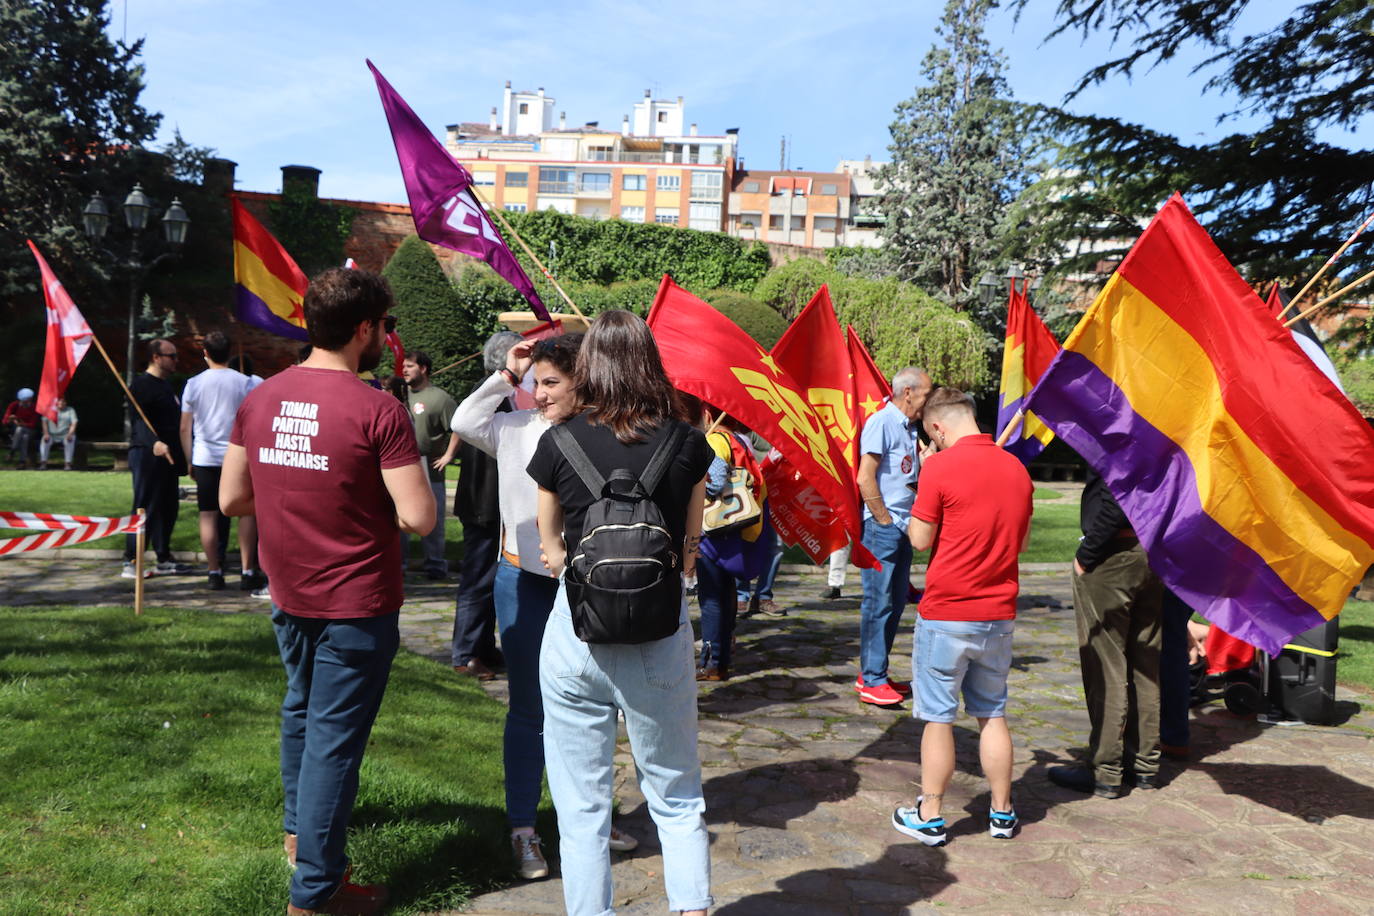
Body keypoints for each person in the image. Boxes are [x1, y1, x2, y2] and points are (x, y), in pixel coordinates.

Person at [221, 267, 434, 916]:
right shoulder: (379, 409)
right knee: (333, 747)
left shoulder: (259, 398)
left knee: (302, 714)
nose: (385, 340)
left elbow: (232, 498)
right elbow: (420, 517)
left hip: (289, 594)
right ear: (364, 330)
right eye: (384, 329)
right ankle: (314, 894)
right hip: (356, 605)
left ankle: (298, 838)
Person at [527, 309, 712, 916]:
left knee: (582, 808)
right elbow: (691, 540)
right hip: (659, 631)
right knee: (677, 794)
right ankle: (690, 907)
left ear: (588, 368)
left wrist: (575, 579)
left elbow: (547, 537)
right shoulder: (685, 440)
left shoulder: (559, 441)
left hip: (576, 632)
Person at [890, 388, 1033, 846]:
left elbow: (919, 539)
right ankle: (1002, 811)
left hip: (949, 612)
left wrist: (924, 477)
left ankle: (929, 814)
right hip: (998, 612)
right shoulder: (1016, 468)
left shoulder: (941, 467)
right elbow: (1022, 543)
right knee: (992, 713)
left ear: (937, 427)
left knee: (938, 717)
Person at [1048, 470, 1164, 798]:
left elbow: (1118, 496)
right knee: (1145, 664)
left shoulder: (1122, 427)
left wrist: (1088, 554)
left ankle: (1106, 769)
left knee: (1107, 666)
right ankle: (1143, 764)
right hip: (1149, 550)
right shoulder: (1158, 428)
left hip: (1115, 553)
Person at [854, 367, 932, 705]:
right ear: (909, 392)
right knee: (879, 604)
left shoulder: (909, 428)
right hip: (883, 528)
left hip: (903, 526)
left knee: (895, 602)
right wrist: (884, 521)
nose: (929, 401)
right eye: (927, 394)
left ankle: (875, 673)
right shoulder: (882, 422)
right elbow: (865, 477)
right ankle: (871, 679)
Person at [449, 333, 520, 680]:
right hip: (483, 503)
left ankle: (483, 647)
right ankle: (465, 653)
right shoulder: (491, 396)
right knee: (477, 581)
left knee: (488, 580)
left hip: (487, 502)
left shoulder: (500, 396)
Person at [180, 330, 260, 591]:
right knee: (246, 512)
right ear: (230, 353)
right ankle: (248, 570)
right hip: (238, 455)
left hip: (205, 456)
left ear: (205, 353)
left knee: (208, 514)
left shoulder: (193, 384)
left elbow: (185, 427)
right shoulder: (246, 383)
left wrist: (189, 458)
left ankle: (214, 570)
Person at [122, 340, 189, 579]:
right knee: (145, 506)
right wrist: (154, 443)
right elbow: (139, 422)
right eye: (172, 356)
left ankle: (163, 556)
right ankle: (131, 559)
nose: (176, 360)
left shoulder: (166, 386)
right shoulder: (141, 386)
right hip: (147, 454)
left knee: (168, 506)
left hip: (168, 456)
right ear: (156, 357)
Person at [400, 350, 459, 579]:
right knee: (401, 518)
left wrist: (448, 456)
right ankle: (400, 566)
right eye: (403, 366)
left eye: (409, 366)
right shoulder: (400, 395)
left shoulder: (440, 398)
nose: (404, 370)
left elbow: (458, 428)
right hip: (402, 468)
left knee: (433, 519)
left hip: (430, 468)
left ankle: (435, 565)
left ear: (423, 369)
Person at [40, 395, 78, 470]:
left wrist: (70, 434)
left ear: (65, 402)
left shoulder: (70, 410)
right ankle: (43, 463)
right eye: (59, 401)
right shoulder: (49, 409)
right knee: (44, 441)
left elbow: (74, 423)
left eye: (63, 401)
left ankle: (68, 464)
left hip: (65, 434)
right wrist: (46, 433)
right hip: (51, 434)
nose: (61, 403)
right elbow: (44, 422)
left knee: (70, 440)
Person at [4, 387, 39, 468]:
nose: (23, 402)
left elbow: (33, 424)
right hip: (16, 430)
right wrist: (10, 419)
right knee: (24, 437)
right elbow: (5, 420)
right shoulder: (14, 405)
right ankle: (22, 462)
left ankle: (12, 451)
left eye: (26, 400)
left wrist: (23, 424)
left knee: (21, 430)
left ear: (30, 399)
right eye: (22, 400)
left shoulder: (34, 407)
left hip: (30, 430)